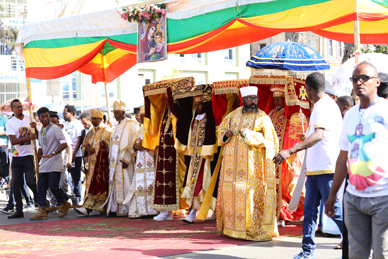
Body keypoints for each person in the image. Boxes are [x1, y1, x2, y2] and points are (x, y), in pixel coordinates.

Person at [273, 72, 343, 259]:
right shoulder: (325, 105)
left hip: (326, 169)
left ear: (309, 89)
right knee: (311, 212)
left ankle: (358, 242)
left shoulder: (323, 106)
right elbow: (320, 134)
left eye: (306, 90)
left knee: (334, 211)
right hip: (316, 168)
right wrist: (307, 137)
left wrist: (290, 150)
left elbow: (319, 135)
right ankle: (307, 251)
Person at [326, 62, 388, 259]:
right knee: (356, 255)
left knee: (381, 254)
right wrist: (333, 193)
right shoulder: (350, 115)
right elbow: (343, 157)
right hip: (353, 198)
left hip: (383, 197)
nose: (359, 82)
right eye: (355, 79)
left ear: (377, 82)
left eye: (364, 78)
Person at [217, 86, 279, 241]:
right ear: (242, 100)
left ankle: (251, 228)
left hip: (253, 168)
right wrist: (226, 134)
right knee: (232, 195)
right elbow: (220, 132)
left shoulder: (263, 117)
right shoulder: (232, 115)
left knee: (250, 196)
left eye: (255, 98)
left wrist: (251, 136)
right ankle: (231, 229)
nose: (253, 101)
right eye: (250, 98)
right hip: (232, 168)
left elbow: (271, 141)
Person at [268, 85, 307, 223]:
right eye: (275, 99)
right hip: (270, 156)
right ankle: (273, 214)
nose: (277, 102)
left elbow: (292, 137)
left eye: (280, 99)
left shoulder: (289, 116)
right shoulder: (270, 114)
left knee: (287, 185)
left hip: (285, 155)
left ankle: (284, 213)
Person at [178, 95, 217, 224]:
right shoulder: (195, 120)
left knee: (201, 184)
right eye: (196, 105)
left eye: (200, 104)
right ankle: (194, 210)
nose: (198, 107)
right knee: (193, 183)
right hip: (194, 158)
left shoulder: (208, 120)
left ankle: (194, 212)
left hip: (205, 158)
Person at [29, 107, 70, 220]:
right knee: (41, 187)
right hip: (44, 163)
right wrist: (37, 163)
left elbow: (64, 144)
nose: (45, 118)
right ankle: (42, 210)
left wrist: (53, 153)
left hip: (55, 162)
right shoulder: (42, 129)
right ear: (39, 118)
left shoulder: (55, 129)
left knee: (53, 186)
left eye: (47, 116)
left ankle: (64, 203)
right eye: (43, 117)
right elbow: (41, 146)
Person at [6, 99, 38, 219]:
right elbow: (13, 141)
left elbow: (37, 134)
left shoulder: (29, 118)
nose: (20, 108)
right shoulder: (10, 123)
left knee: (30, 182)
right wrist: (28, 137)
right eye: (17, 107)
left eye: (21, 106)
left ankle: (40, 199)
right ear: (12, 110)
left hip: (29, 155)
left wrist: (35, 129)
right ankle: (19, 210)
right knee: (16, 184)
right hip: (16, 157)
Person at [123, 105, 157, 218]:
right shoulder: (139, 130)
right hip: (141, 162)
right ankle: (141, 210)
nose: (142, 118)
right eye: (141, 116)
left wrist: (147, 146)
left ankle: (154, 210)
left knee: (152, 185)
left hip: (152, 161)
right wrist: (136, 146)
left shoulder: (155, 128)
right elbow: (132, 145)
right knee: (140, 185)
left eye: (144, 116)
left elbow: (158, 145)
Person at [105, 101, 139, 216]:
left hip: (124, 161)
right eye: (114, 113)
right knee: (116, 185)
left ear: (123, 112)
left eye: (117, 113)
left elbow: (132, 142)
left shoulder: (131, 124)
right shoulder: (116, 127)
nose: (115, 116)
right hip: (114, 162)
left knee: (126, 183)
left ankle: (128, 208)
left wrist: (126, 159)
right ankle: (116, 208)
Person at [76, 109, 112, 216]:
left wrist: (95, 149)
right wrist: (86, 150)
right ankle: (87, 206)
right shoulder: (91, 132)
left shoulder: (107, 131)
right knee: (90, 185)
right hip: (91, 164)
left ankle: (101, 207)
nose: (92, 121)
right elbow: (84, 144)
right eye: (92, 119)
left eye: (95, 119)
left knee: (100, 185)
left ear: (101, 119)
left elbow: (108, 145)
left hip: (101, 164)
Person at [152, 93, 181, 221]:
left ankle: (172, 210)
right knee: (163, 179)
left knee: (174, 180)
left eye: (169, 101)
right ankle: (166, 211)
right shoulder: (165, 115)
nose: (168, 103)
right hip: (163, 154)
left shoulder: (178, 115)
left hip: (175, 154)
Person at [48, 115, 78, 207]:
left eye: (55, 122)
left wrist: (69, 161)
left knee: (63, 184)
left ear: (59, 124)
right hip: (50, 163)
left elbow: (69, 147)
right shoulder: (46, 133)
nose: (53, 124)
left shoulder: (63, 133)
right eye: (51, 122)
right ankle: (53, 203)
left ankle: (73, 198)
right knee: (52, 185)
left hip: (62, 163)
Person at [63, 104, 84, 203]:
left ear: (71, 113)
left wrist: (74, 154)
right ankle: (68, 198)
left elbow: (79, 140)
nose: (63, 115)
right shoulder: (64, 124)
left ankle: (78, 198)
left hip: (76, 155)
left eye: (65, 113)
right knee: (65, 178)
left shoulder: (78, 124)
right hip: (65, 155)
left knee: (76, 178)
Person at [0, 111, 9, 187]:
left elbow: (8, 131)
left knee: (5, 164)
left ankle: (6, 180)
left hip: (3, 145)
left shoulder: (4, 119)